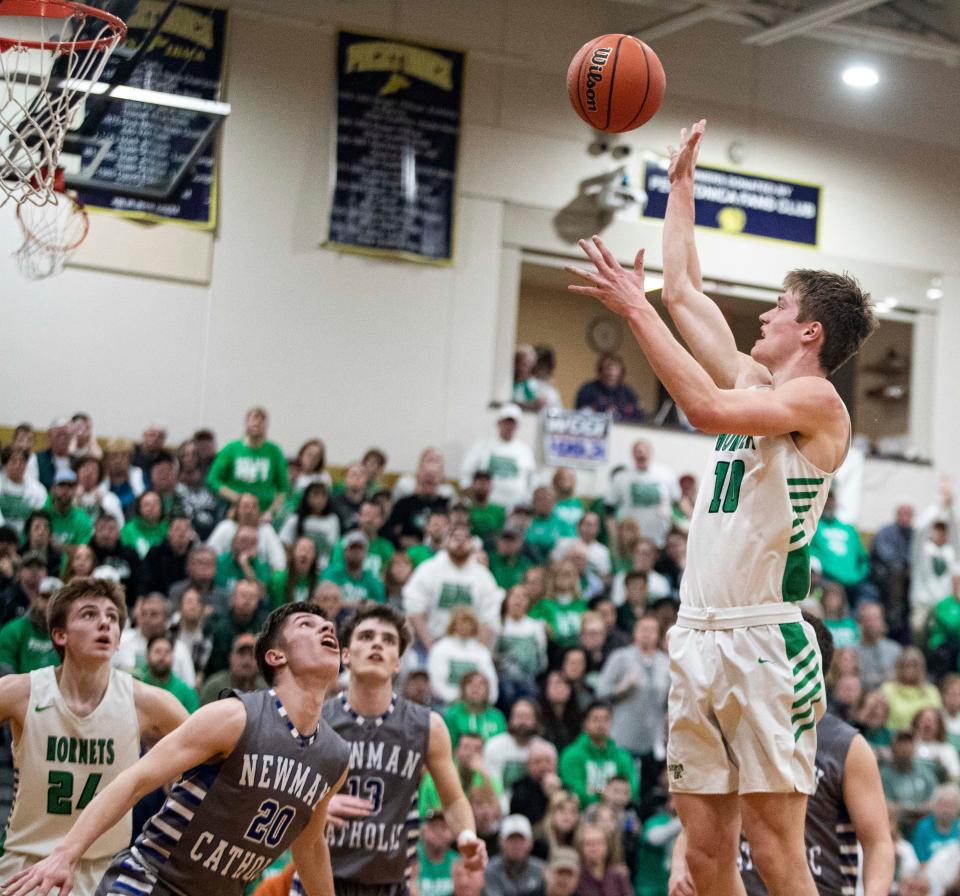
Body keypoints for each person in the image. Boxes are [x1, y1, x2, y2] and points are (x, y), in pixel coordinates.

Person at [567, 118, 876, 896]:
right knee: (706, 857)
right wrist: (679, 186)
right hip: (696, 632)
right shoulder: (754, 380)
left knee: (775, 850)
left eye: (778, 306)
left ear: (808, 330)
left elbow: (699, 407)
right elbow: (683, 292)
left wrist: (632, 311)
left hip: (765, 641)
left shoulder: (817, 401)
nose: (764, 316)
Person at [4, 601, 350, 896]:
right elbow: (136, 779)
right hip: (149, 883)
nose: (326, 629)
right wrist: (67, 853)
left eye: (328, 626)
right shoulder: (234, 716)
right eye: (307, 624)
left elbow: (310, 842)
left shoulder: (334, 756)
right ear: (276, 656)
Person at [671, 613, 894, 896]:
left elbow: (878, 842)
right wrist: (680, 866)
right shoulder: (736, 727)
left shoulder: (847, 745)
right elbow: (703, 813)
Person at [0, 577, 187, 895]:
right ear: (60, 635)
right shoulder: (21, 692)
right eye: (89, 614)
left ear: (118, 640)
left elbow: (210, 755)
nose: (104, 622)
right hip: (28, 865)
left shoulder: (147, 701)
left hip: (108, 871)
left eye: (112, 617)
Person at [286, 602, 487, 896]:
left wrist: (467, 836)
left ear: (398, 662)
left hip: (389, 885)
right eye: (366, 636)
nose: (377, 643)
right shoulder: (314, 719)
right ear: (345, 655)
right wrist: (315, 808)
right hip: (318, 882)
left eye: (388, 640)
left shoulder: (428, 726)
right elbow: (279, 792)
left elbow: (454, 799)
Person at [595, 613, 670, 801]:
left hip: (653, 738)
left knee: (649, 791)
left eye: (652, 631)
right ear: (635, 632)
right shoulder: (621, 657)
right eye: (642, 630)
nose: (646, 634)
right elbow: (601, 691)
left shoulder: (665, 662)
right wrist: (622, 688)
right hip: (623, 735)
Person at [403, 524, 502, 651]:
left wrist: (478, 652)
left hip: (469, 646)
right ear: (446, 542)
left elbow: (489, 619)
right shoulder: (428, 569)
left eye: (465, 539)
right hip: (430, 641)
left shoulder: (484, 577)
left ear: (472, 544)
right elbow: (414, 608)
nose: (460, 543)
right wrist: (430, 644)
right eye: (455, 538)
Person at [206, 406, 289, 518]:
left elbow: (283, 488)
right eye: (254, 418)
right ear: (246, 422)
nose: (258, 422)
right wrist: (237, 498)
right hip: (233, 510)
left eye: (262, 419)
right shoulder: (231, 449)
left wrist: (271, 512)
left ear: (267, 426)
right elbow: (213, 479)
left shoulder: (275, 452)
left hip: (263, 512)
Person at [557, 702, 637, 808]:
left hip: (617, 813)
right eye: (595, 719)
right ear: (585, 723)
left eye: (606, 719)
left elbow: (632, 787)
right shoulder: (571, 755)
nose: (601, 724)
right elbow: (573, 788)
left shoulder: (623, 757)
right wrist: (604, 798)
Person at [459, 405, 537, 511]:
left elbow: (532, 479)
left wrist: (526, 501)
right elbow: (465, 473)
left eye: (512, 422)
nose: (508, 426)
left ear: (517, 425)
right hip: (485, 507)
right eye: (506, 421)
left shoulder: (525, 450)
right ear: (498, 422)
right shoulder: (481, 446)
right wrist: (471, 497)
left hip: (515, 509)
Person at [604, 440, 678, 550]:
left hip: (660, 538)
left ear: (651, 453)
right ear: (633, 455)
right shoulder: (622, 477)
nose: (641, 454)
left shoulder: (666, 474)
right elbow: (608, 508)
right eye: (637, 451)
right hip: (630, 540)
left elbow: (677, 501)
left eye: (644, 451)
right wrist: (615, 535)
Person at [114, 592, 198, 687]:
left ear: (166, 618)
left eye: (154, 614)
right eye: (143, 613)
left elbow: (190, 686)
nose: (147, 619)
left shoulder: (179, 649)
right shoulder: (121, 641)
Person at [483, 814, 546, 896]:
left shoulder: (542, 871)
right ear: (500, 842)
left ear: (530, 843)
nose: (516, 845)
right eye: (511, 840)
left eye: (521, 840)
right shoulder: (489, 871)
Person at [136, 634, 200, 714]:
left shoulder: (186, 692)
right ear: (147, 656)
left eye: (167, 652)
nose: (162, 657)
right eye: (157, 652)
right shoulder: (137, 686)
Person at [199, 632, 267, 705]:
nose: (247, 660)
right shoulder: (215, 688)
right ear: (231, 658)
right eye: (241, 654)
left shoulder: (266, 690)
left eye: (252, 654)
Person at [574, 354, 643, 423]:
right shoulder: (587, 390)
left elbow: (637, 416)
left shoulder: (628, 393)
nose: (611, 373)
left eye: (615, 368)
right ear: (601, 370)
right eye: (608, 367)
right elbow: (580, 414)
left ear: (621, 372)